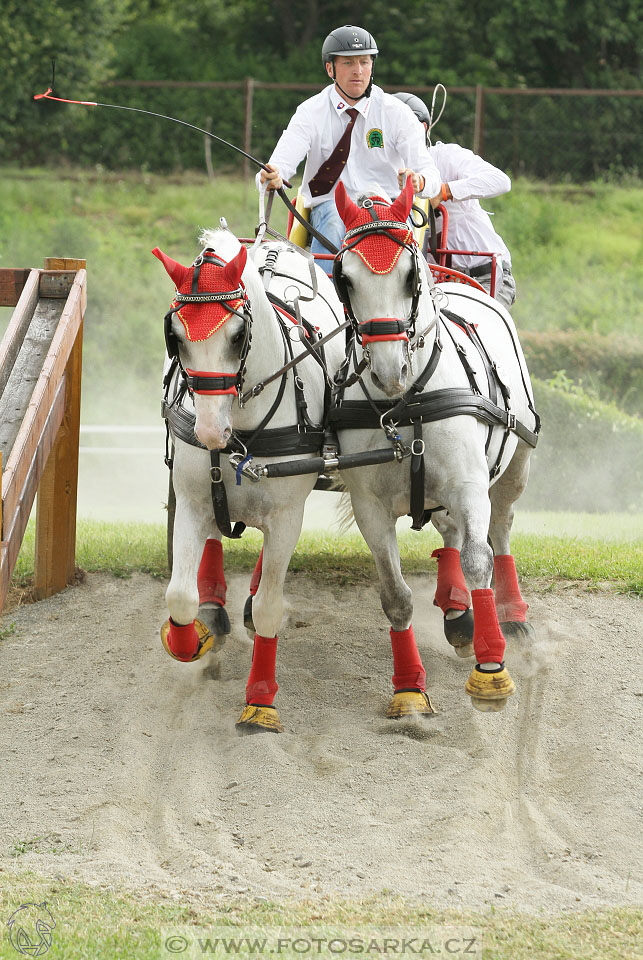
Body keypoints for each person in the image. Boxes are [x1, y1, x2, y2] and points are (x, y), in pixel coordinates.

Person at [258, 26, 441, 257]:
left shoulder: (396, 112)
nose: (358, 71)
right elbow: (276, 169)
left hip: (388, 208)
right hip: (330, 208)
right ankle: (326, 291)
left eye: (364, 62)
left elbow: (431, 174)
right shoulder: (309, 112)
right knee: (334, 221)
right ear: (329, 68)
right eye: (348, 63)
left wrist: (420, 181)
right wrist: (271, 176)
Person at [393, 91, 516, 310]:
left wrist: (445, 190)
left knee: (478, 334)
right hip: (433, 285)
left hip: (484, 276)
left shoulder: (446, 156)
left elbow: (500, 180)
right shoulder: (381, 175)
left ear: (422, 129)